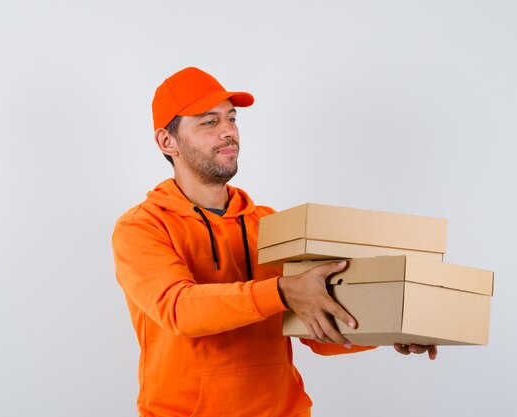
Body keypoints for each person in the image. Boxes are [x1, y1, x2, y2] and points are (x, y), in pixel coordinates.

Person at [112, 67, 437, 417]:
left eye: (231, 119)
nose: (228, 132)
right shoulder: (142, 226)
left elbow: (315, 328)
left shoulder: (268, 223)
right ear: (166, 141)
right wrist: (281, 291)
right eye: (208, 122)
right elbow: (179, 310)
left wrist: (390, 330)